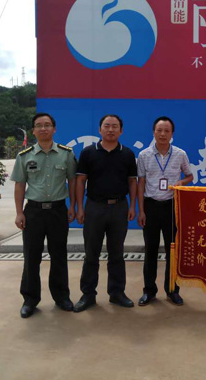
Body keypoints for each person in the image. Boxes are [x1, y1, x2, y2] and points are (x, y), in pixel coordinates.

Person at [11, 112, 77, 319]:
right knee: (32, 256)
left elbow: (73, 181)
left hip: (58, 210)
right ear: (33, 131)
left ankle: (62, 297)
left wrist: (73, 206)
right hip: (33, 212)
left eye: (47, 125)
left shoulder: (66, 154)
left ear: (54, 129)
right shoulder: (24, 156)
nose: (43, 128)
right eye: (39, 125)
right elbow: (20, 185)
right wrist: (19, 212)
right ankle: (30, 299)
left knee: (59, 256)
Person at [73, 114, 138, 311]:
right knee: (91, 253)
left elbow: (132, 182)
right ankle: (88, 294)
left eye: (115, 126)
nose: (110, 129)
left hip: (119, 207)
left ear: (121, 131)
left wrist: (132, 206)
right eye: (107, 126)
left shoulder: (127, 154)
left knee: (117, 253)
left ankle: (117, 293)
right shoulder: (88, 153)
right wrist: (80, 207)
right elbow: (81, 181)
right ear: (100, 129)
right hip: (94, 207)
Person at [136, 116, 194, 306]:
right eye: (159, 130)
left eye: (166, 131)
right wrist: (141, 210)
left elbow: (190, 176)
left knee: (172, 250)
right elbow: (141, 183)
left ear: (172, 134)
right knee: (150, 251)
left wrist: (181, 182)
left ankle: (172, 290)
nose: (163, 134)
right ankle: (149, 291)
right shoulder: (144, 155)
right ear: (153, 132)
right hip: (150, 206)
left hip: (171, 207)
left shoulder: (180, 154)